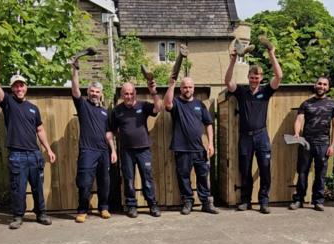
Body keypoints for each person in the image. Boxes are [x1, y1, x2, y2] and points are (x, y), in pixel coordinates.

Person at [0, 55, 56, 229]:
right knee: (18, 188)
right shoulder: (8, 103)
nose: (19, 88)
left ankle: (41, 214)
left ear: (26, 87)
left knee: (37, 188)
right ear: (12, 88)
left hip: (35, 155)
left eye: (22, 85)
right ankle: (18, 216)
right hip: (16, 155)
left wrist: (48, 149)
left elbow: (39, 130)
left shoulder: (34, 109)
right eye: (16, 85)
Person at [224, 40, 282, 214]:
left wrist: (271, 53)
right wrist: (233, 60)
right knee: (245, 170)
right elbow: (227, 81)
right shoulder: (241, 91)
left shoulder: (266, 91)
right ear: (248, 77)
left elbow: (279, 76)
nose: (254, 80)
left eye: (257, 78)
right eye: (252, 77)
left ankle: (264, 202)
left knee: (265, 169)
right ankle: (245, 201)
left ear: (261, 78)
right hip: (245, 137)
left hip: (261, 136)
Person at [163, 77, 218, 215]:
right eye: (184, 87)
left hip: (199, 148)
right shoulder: (176, 103)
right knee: (183, 177)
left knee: (203, 176)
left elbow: (209, 124)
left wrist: (211, 143)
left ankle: (206, 203)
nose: (187, 89)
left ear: (193, 88)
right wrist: (171, 85)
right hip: (181, 148)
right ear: (180, 89)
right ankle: (188, 201)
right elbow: (167, 103)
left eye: (190, 87)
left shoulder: (200, 104)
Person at [71, 60, 117, 223]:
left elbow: (108, 133)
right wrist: (75, 71)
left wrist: (113, 150)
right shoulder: (82, 105)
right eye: (92, 91)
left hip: (103, 151)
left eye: (97, 91)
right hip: (87, 150)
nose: (94, 94)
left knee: (105, 182)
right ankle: (82, 210)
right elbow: (75, 91)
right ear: (88, 92)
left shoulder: (105, 112)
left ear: (101, 94)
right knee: (84, 182)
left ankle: (104, 207)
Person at [110, 82, 161, 217]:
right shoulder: (117, 110)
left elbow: (158, 108)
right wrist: (113, 150)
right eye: (126, 94)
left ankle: (152, 205)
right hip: (126, 151)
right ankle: (131, 205)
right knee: (128, 179)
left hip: (143, 150)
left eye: (131, 93)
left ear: (135, 94)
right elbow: (112, 132)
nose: (129, 96)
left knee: (147, 179)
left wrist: (154, 92)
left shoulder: (143, 106)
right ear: (122, 95)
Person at [289, 77, 334, 211]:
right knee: (302, 172)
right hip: (306, 142)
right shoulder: (306, 104)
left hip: (323, 143)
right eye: (319, 83)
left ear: (327, 87)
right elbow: (299, 120)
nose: (321, 86)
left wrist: (332, 145)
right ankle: (299, 200)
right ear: (315, 85)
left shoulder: (333, 104)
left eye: (324, 84)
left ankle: (318, 201)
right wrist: (296, 133)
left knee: (320, 174)